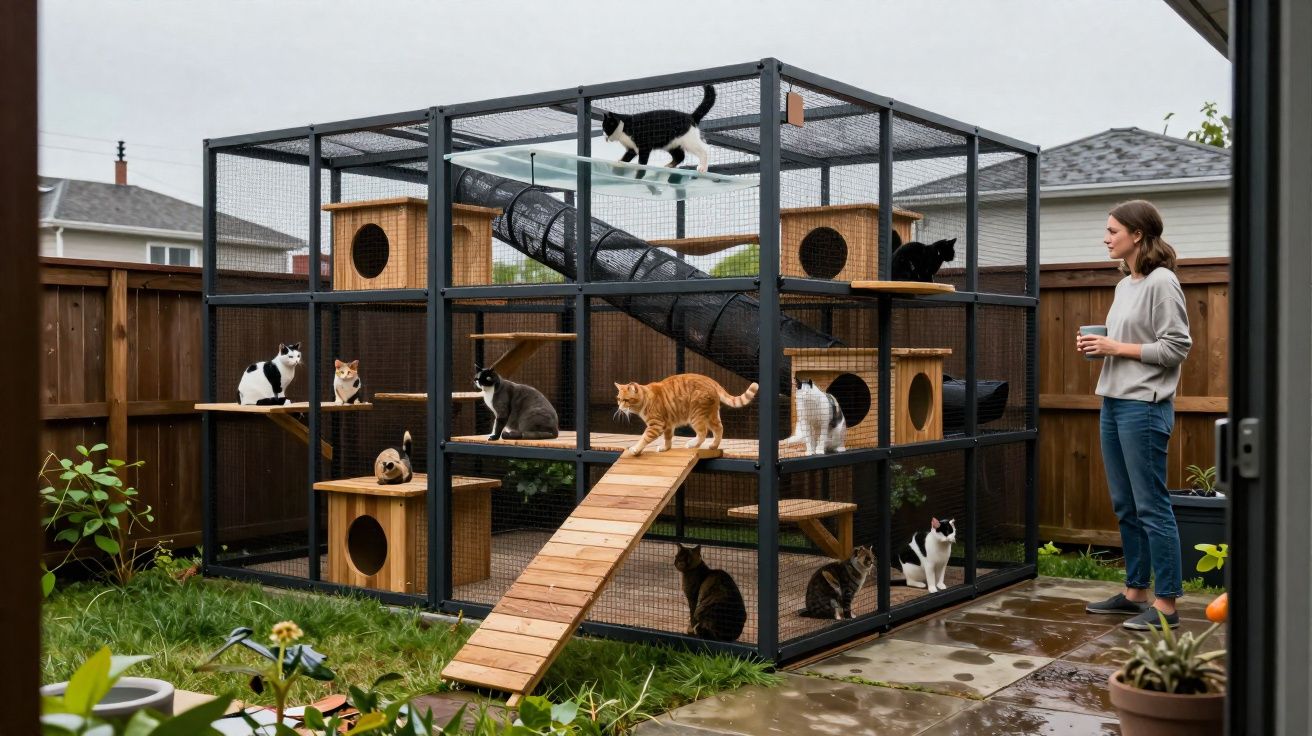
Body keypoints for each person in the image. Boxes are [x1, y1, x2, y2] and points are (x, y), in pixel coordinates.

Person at [1077, 200, 1192, 630]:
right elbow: (1129, 342)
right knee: (1126, 505)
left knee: (1151, 506)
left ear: (1137, 234)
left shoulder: (1163, 282)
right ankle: (1135, 591)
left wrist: (1115, 348)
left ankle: (1166, 604)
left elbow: (1177, 347)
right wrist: (1100, 346)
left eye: (1112, 230)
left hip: (1144, 406)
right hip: (1113, 400)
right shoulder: (1126, 284)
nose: (1106, 238)